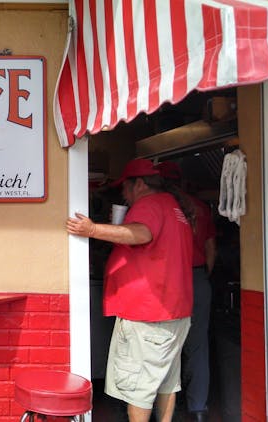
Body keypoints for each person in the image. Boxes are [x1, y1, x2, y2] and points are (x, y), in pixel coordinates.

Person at [66, 158, 195, 422]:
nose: (123, 195)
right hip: (173, 312)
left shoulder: (148, 205)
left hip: (148, 316)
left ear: (139, 184)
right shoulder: (172, 206)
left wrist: (91, 230)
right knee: (166, 382)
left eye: (124, 188)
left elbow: (141, 234)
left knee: (139, 389)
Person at [156, 161, 217, 422]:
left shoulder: (162, 208)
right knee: (198, 346)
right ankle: (198, 409)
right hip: (199, 277)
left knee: (166, 343)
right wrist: (201, 275)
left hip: (172, 280)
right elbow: (212, 250)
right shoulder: (200, 208)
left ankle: (165, 407)